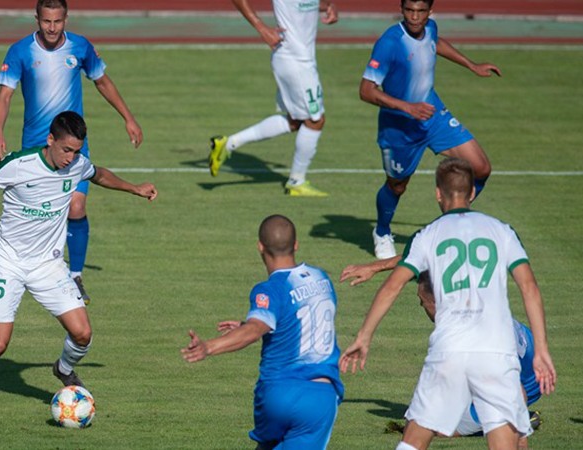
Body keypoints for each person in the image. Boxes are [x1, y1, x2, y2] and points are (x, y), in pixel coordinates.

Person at [0, 111, 157, 418]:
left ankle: (63, 368)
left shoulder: (77, 165)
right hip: (9, 264)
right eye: (66, 150)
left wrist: (135, 188)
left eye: (76, 151)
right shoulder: (18, 165)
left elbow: (97, 174)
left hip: (48, 265)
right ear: (50, 140)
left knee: (83, 334)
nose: (71, 158)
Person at [339, 158, 556, 450]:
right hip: (496, 348)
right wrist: (541, 350)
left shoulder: (427, 235)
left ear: (438, 193)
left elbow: (393, 286)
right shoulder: (501, 230)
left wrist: (363, 337)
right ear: (473, 193)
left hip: (449, 347)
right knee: (510, 440)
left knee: (414, 439)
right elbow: (529, 288)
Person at [0, 0, 143, 301]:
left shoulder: (81, 47)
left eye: (57, 22)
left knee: (76, 206)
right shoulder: (20, 51)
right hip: (37, 146)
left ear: (66, 20)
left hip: (74, 144)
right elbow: (5, 96)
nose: (51, 28)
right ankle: (27, 269)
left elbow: (102, 82)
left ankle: (74, 276)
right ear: (36, 19)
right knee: (38, 210)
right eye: (46, 21)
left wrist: (128, 118)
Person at [181, 215, 344, 449]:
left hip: (277, 394)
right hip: (318, 396)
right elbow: (304, 319)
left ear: (260, 246)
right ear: (296, 244)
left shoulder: (269, 289)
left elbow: (256, 328)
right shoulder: (321, 278)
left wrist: (209, 347)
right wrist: (251, 325)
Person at [361, 0, 501, 258]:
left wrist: (471, 64)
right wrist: (408, 108)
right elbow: (366, 91)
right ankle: (381, 232)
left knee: (481, 168)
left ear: (430, 12)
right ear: (401, 9)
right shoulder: (390, 42)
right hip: (400, 128)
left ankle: (449, 226)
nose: (414, 17)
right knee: (397, 186)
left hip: (433, 117)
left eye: (421, 12)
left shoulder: (431, 28)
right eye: (409, 11)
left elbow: (435, 43)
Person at [208, 0, 338, 197]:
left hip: (300, 58)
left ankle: (227, 144)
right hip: (294, 60)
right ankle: (297, 181)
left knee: (295, 121)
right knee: (315, 120)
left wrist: (327, 6)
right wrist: (261, 27)